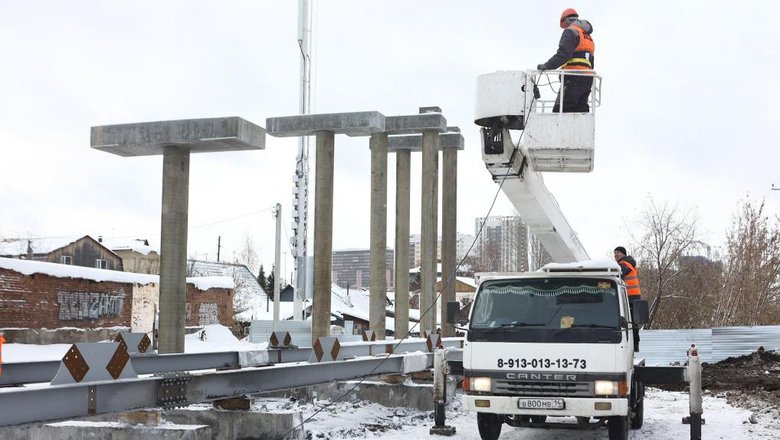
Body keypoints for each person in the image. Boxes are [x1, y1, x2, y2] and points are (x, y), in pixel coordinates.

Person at [536, 8, 595, 113]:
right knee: (580, 111)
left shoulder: (571, 31)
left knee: (561, 111)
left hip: (573, 77)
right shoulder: (587, 36)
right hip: (588, 79)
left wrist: (547, 65)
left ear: (566, 20)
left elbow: (563, 55)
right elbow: (591, 61)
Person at [614, 246, 642, 351]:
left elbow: (618, 274)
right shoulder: (627, 263)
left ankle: (633, 345)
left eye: (618, 252)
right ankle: (634, 345)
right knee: (633, 323)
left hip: (630, 297)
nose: (616, 254)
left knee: (630, 323)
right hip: (631, 297)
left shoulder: (624, 263)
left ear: (623, 254)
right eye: (615, 253)